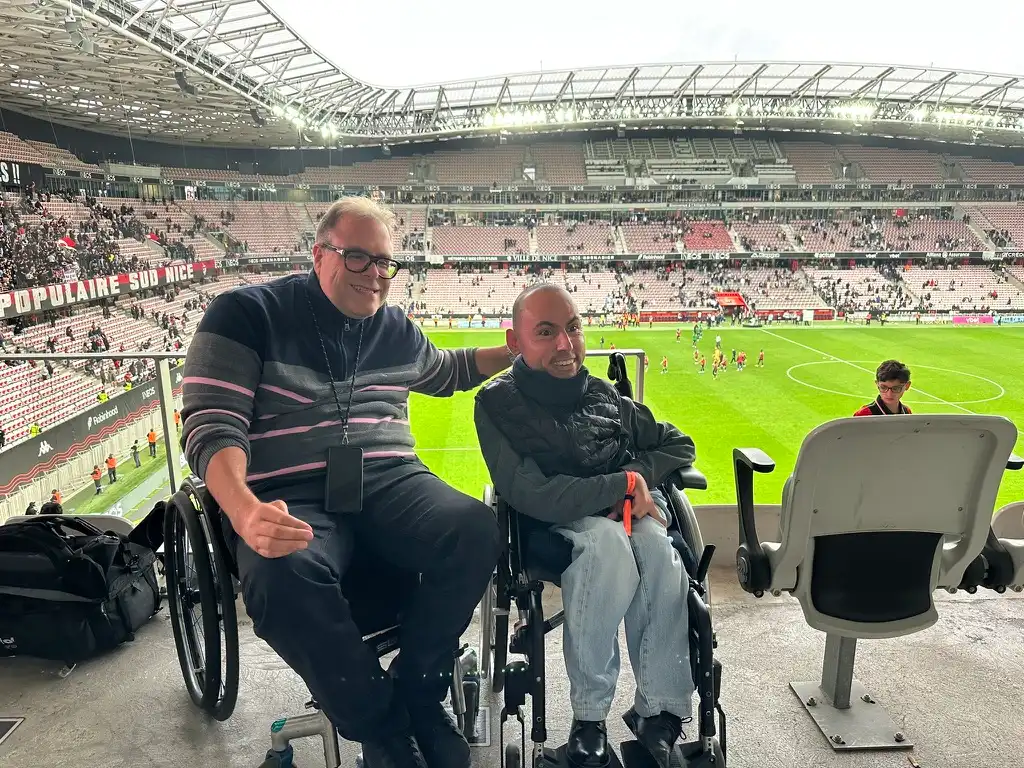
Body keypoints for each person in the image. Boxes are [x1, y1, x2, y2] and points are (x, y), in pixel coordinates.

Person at [179, 196, 510, 768]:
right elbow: (212, 426)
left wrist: (516, 349)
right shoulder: (243, 315)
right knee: (278, 573)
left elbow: (447, 372)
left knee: (477, 528)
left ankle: (418, 687)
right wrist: (243, 509)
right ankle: (381, 725)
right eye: (359, 258)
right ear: (319, 255)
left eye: (386, 262)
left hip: (390, 480)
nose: (377, 275)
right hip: (294, 491)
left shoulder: (396, 328)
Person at [474, 283, 697, 768]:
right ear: (515, 343)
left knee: (662, 554)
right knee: (606, 547)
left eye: (573, 328)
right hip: (553, 521)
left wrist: (639, 478)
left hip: (625, 510)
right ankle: (589, 717)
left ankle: (659, 712)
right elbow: (531, 492)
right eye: (546, 332)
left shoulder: (605, 395)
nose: (565, 344)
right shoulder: (496, 404)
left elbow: (679, 446)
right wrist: (623, 483)